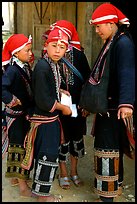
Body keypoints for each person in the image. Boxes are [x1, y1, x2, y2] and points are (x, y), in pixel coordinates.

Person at [88, 3, 135, 202]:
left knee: (107, 149)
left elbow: (127, 73)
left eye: (99, 26)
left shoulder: (122, 43)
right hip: (109, 107)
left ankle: (106, 197)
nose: (97, 30)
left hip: (114, 108)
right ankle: (116, 185)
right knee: (114, 148)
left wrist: (126, 102)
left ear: (110, 23)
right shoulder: (113, 41)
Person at [21, 28, 72, 202]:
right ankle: (42, 195)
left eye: (62, 47)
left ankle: (39, 190)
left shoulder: (52, 64)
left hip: (49, 120)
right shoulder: (43, 67)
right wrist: (63, 108)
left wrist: (59, 91)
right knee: (47, 155)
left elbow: (48, 88)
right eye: (54, 45)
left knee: (46, 154)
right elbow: (43, 99)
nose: (58, 50)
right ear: (46, 46)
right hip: (45, 121)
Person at [43, 20, 91, 189]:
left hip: (77, 107)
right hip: (58, 108)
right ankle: (63, 172)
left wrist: (86, 105)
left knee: (76, 137)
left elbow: (88, 81)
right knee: (62, 138)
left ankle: (74, 172)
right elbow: (45, 84)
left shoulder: (79, 56)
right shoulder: (48, 57)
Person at [2, 34, 34, 197]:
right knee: (20, 149)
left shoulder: (23, 67)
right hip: (16, 117)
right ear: (15, 53)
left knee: (17, 147)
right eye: (27, 50)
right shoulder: (13, 71)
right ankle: (23, 187)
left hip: (22, 116)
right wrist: (11, 99)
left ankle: (15, 178)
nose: (30, 53)